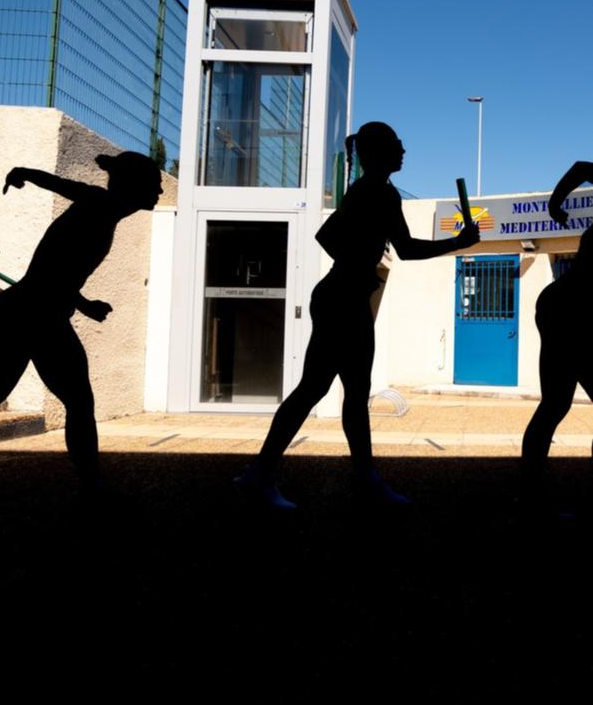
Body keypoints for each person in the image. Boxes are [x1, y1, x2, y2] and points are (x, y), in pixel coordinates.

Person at [237, 121, 480, 510]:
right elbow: (406, 249)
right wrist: (458, 243)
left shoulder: (361, 191)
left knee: (341, 393)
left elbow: (326, 237)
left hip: (339, 294)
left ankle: (354, 478)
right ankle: (265, 475)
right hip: (345, 300)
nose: (404, 151)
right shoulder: (382, 194)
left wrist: (355, 262)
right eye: (397, 145)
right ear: (379, 152)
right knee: (322, 391)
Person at [0, 151, 163, 491]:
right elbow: (62, 196)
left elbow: (59, 271)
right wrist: (26, 173)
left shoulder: (104, 211)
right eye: (153, 185)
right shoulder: (99, 203)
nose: (158, 192)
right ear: (132, 185)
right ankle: (91, 483)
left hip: (34, 314)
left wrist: (83, 304)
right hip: (28, 315)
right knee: (17, 403)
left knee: (46, 402)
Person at [521, 161, 593, 505]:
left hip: (561, 305)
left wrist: (556, 202)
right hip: (572, 309)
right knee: (554, 404)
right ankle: (530, 493)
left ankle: (530, 493)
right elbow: (582, 167)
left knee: (554, 403)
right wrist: (553, 203)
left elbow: (582, 168)